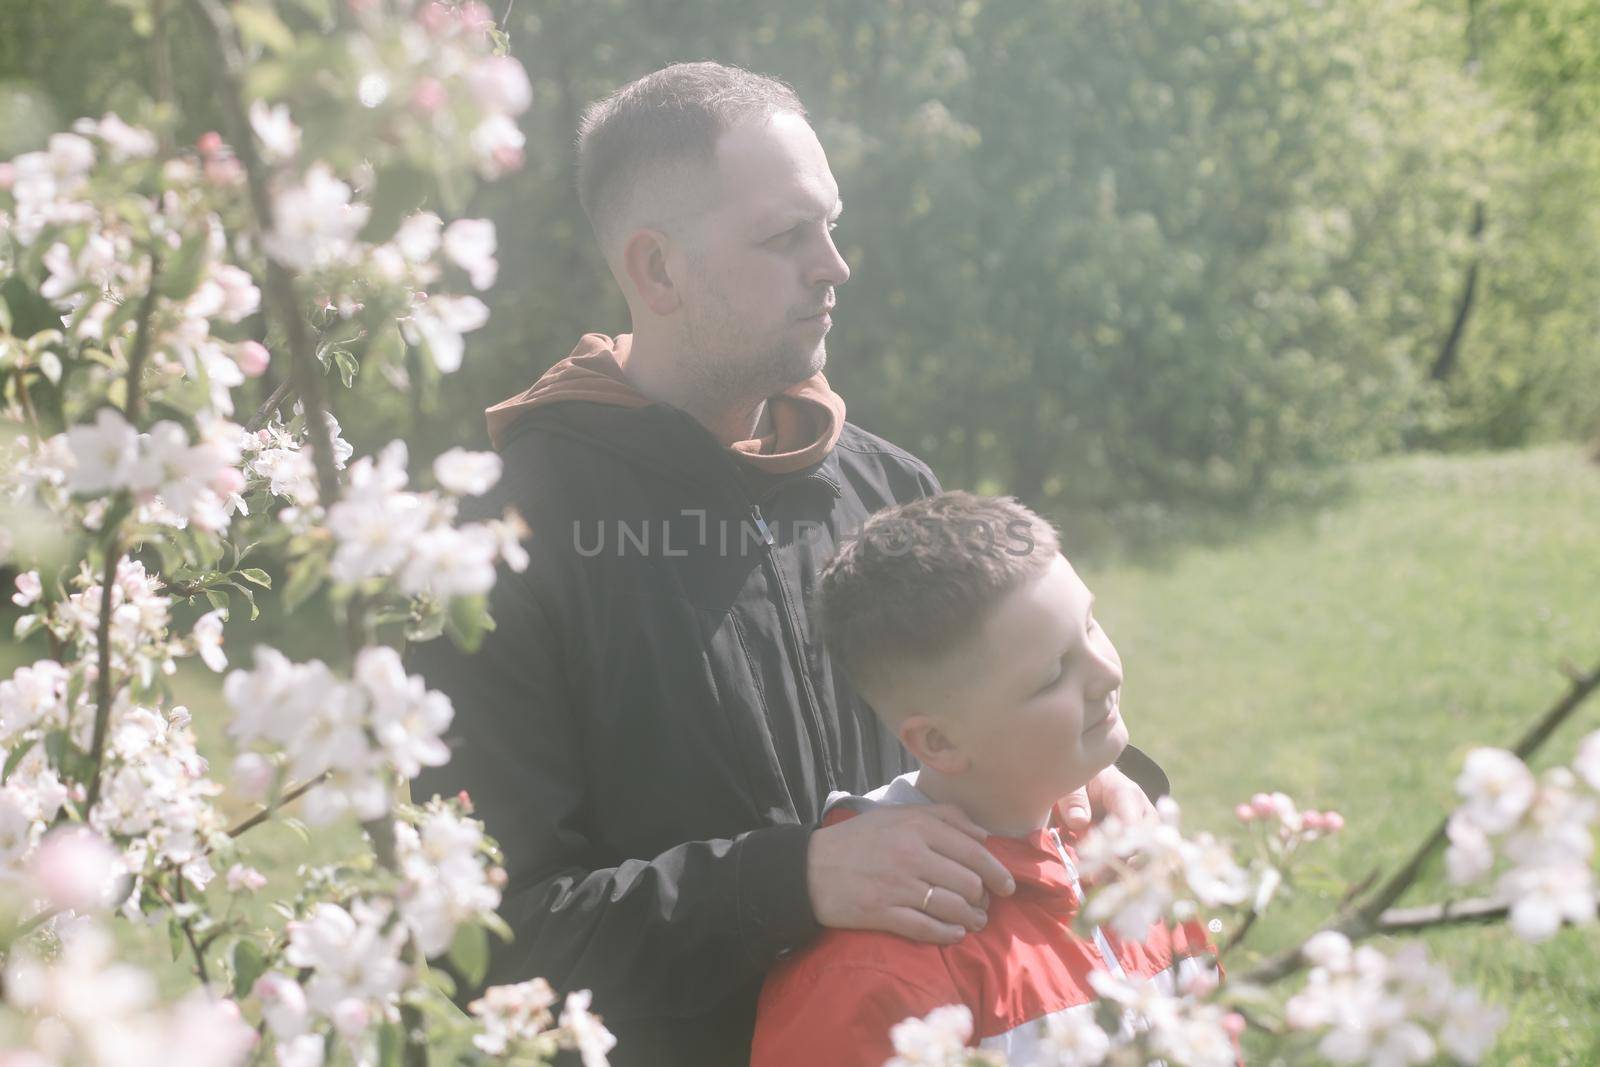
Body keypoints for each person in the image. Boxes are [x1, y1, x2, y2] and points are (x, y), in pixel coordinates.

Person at [408, 61, 1165, 1065]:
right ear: (657, 269)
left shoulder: (887, 485)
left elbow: (990, 737)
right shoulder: (491, 546)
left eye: (830, 224)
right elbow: (485, 938)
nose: (834, 265)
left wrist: (1111, 787)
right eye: (784, 236)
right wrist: (790, 879)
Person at [751, 492, 1216, 1066]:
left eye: (1091, 627)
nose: (1106, 673)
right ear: (940, 742)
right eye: (1051, 676)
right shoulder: (877, 975)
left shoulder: (1127, 854)